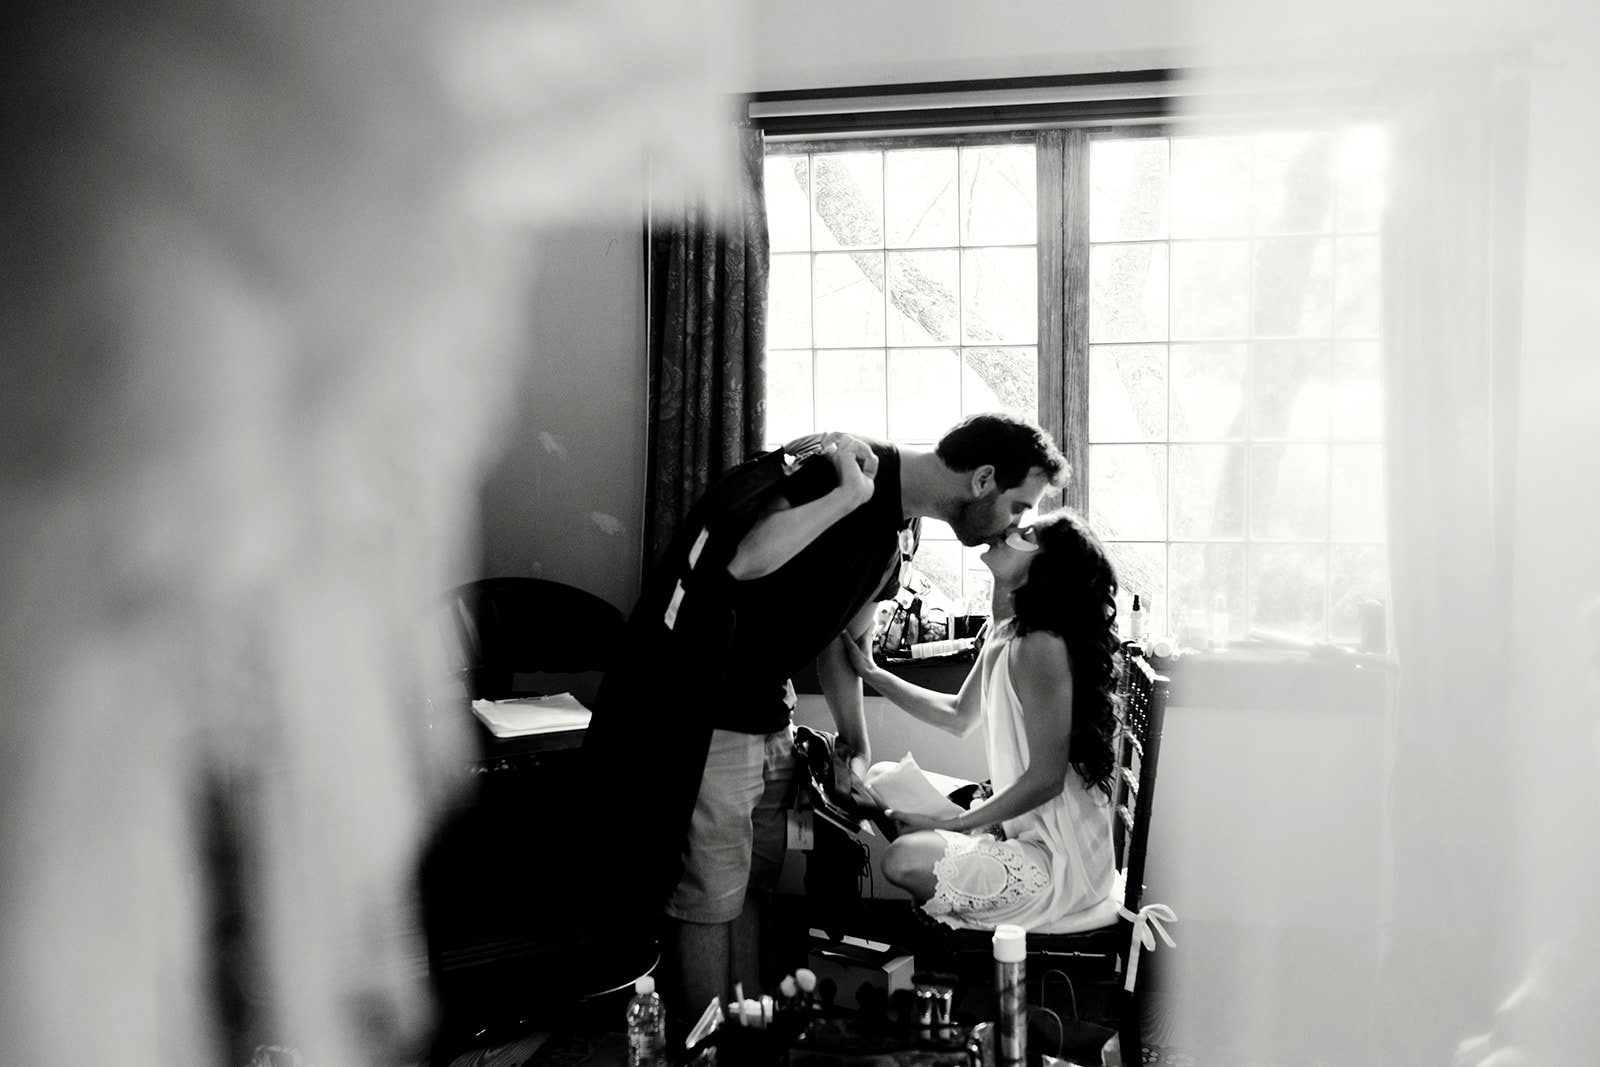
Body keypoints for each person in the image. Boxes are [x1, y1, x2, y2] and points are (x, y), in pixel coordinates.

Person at [579, 413, 1066, 1025]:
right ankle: (706, 1053)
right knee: (708, 900)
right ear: (983, 480)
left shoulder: (896, 537)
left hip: (768, 713)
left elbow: (843, 643)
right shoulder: (837, 470)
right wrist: (846, 497)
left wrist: (853, 741)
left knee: (752, 889)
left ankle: (746, 1035)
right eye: (1019, 506)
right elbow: (743, 559)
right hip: (709, 711)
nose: (1017, 524)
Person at [840, 507, 1120, 932]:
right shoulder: (1008, 630)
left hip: (1060, 860)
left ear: (1045, 568)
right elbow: (958, 716)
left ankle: (959, 902)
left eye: (1024, 534)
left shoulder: (1042, 645)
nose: (1007, 531)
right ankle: (964, 859)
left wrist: (952, 823)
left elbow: (1047, 778)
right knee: (879, 777)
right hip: (1021, 833)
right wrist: (873, 673)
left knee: (900, 859)